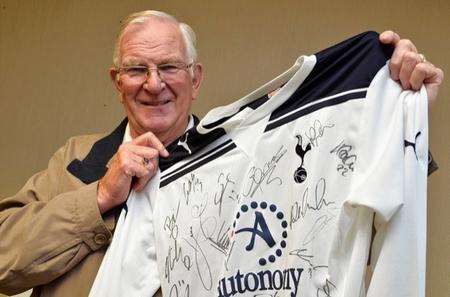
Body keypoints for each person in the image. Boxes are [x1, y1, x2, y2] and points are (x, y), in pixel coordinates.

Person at [0, 10, 444, 297]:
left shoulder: (248, 160)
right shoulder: (78, 162)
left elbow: (339, 231)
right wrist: (98, 197)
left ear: (195, 79)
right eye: (137, 69)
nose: (154, 84)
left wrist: (399, 112)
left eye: (169, 67)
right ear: (117, 81)